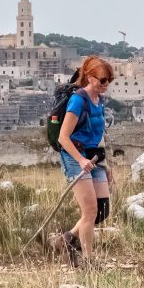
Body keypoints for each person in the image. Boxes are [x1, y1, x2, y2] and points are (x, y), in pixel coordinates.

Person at [52, 56, 114, 267]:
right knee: (89, 211)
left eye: (109, 80)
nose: (106, 85)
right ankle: (88, 261)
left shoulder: (99, 99)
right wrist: (80, 160)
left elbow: (99, 134)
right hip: (75, 156)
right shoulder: (78, 99)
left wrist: (107, 166)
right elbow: (63, 137)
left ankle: (67, 239)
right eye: (102, 80)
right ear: (89, 77)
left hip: (94, 156)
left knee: (102, 209)